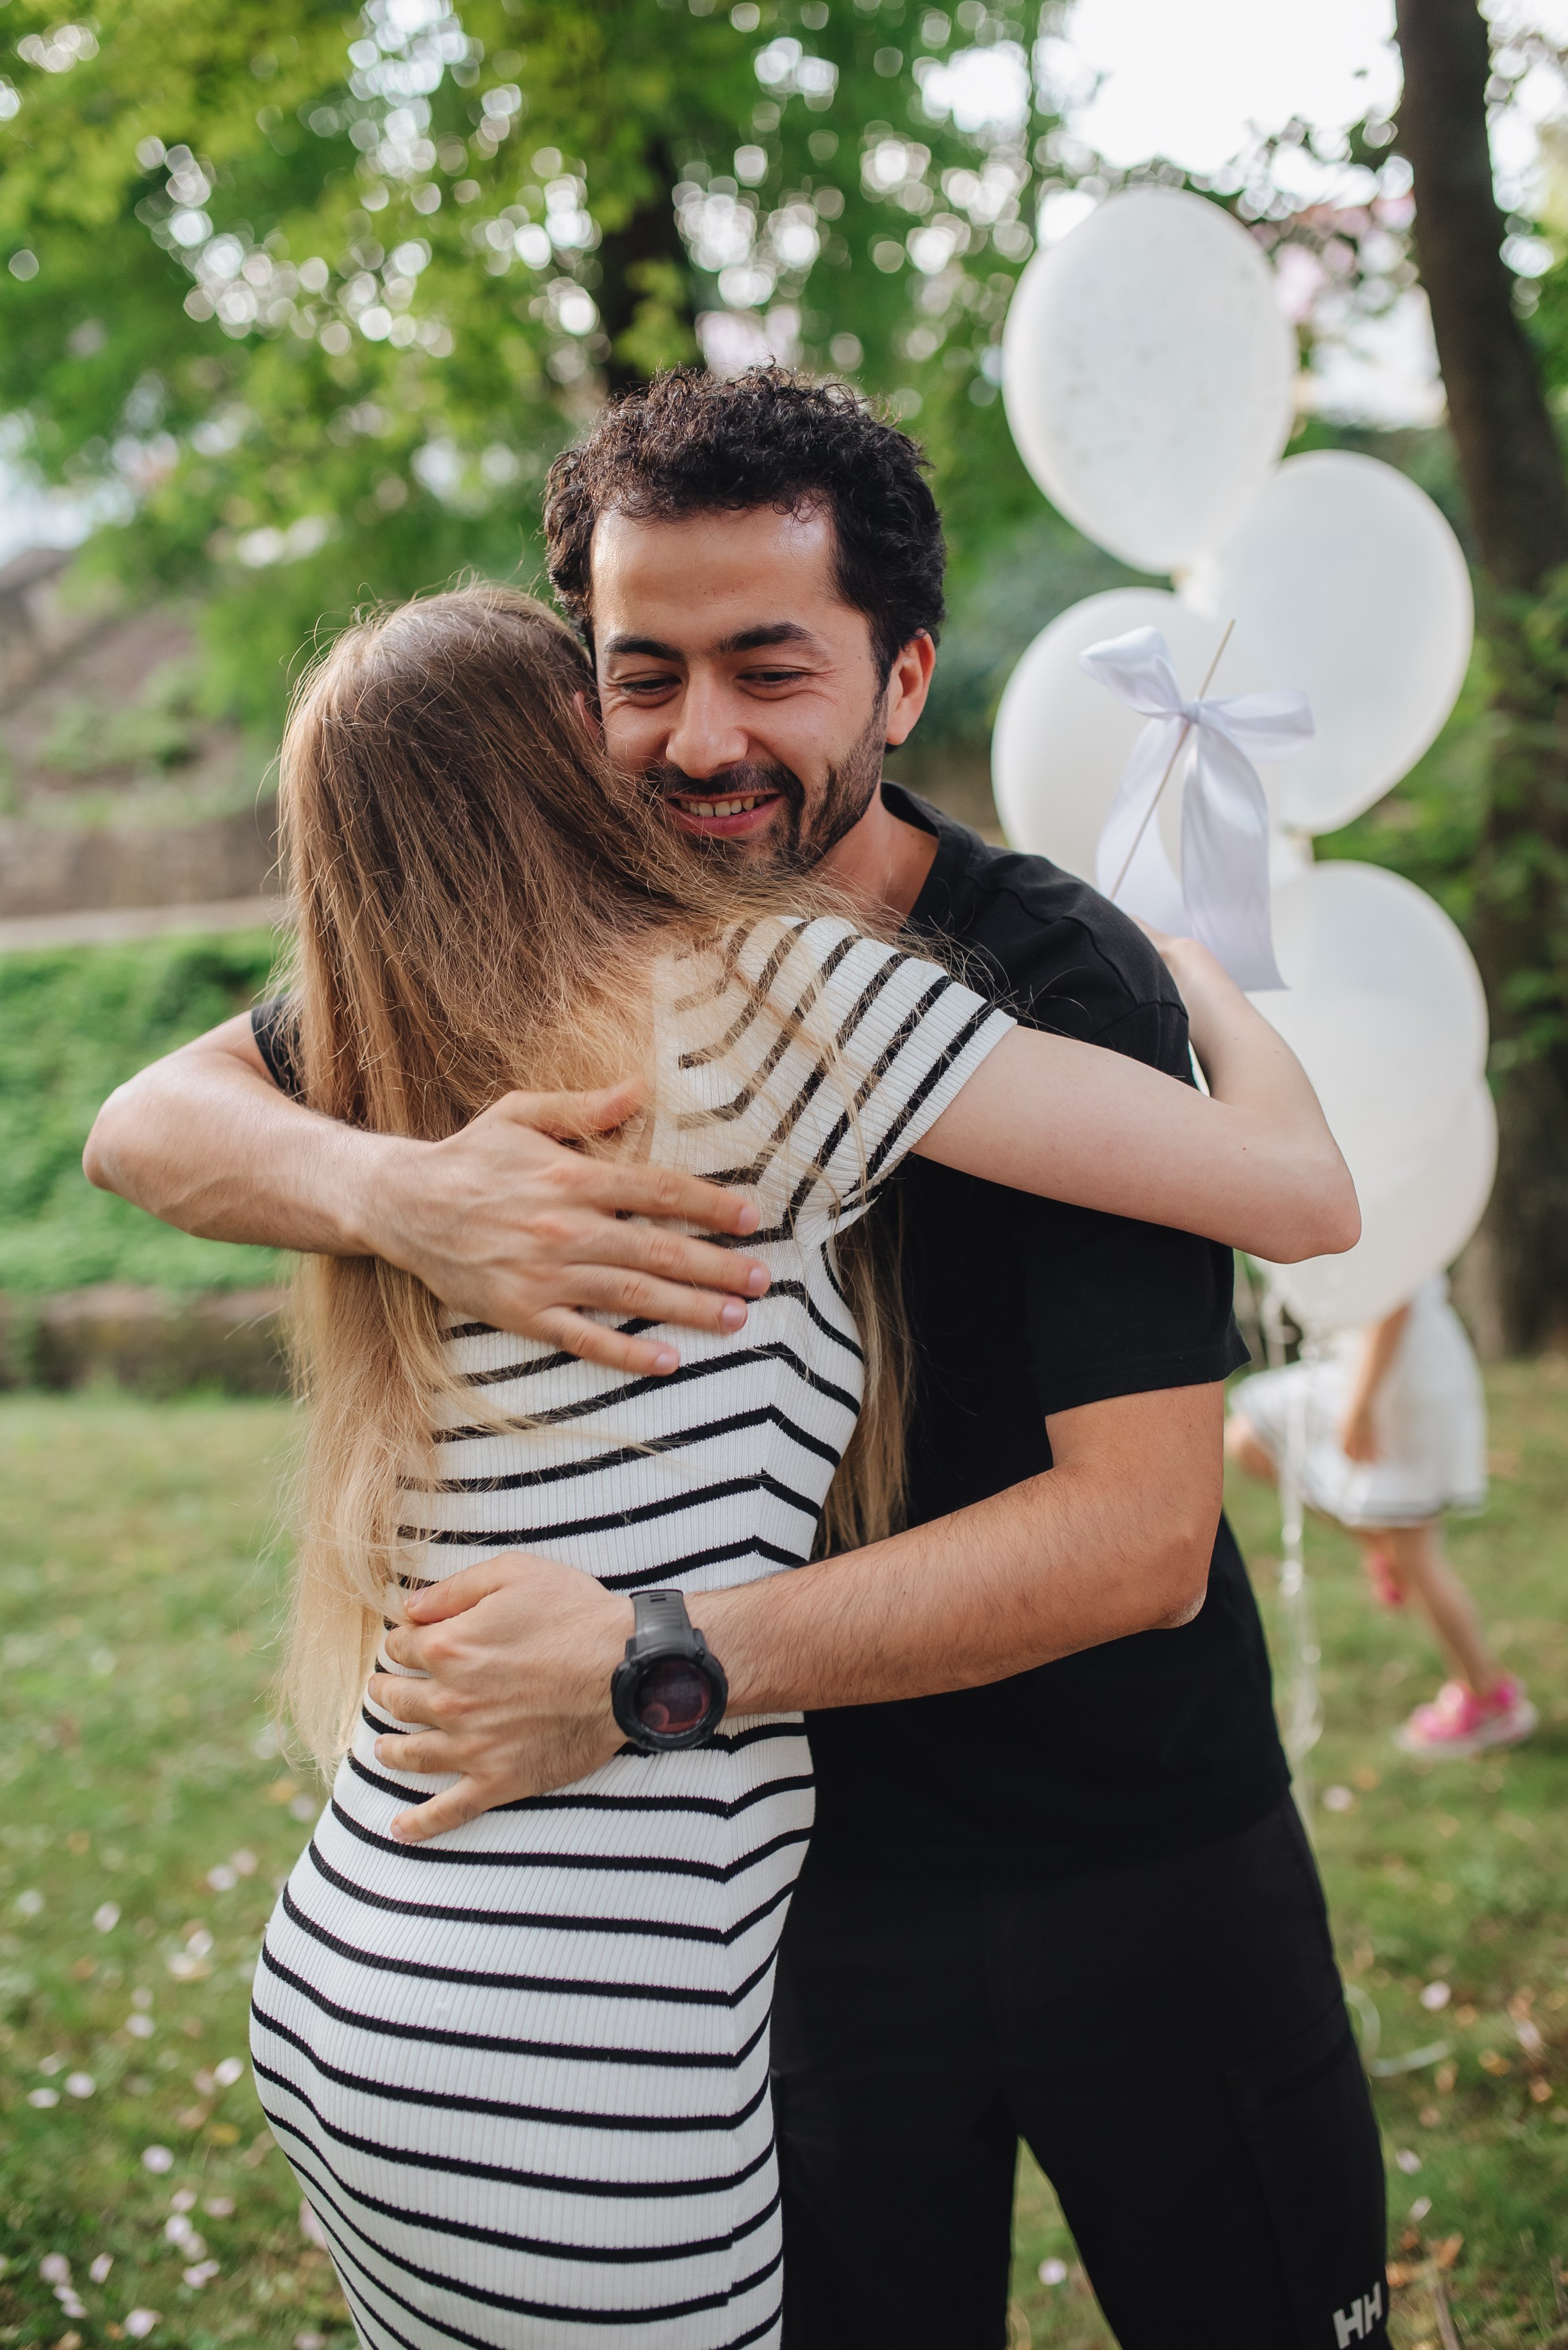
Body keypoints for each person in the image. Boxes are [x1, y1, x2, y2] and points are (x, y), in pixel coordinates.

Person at [84, 369, 1390, 2350]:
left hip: (1119, 1851)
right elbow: (150, 1121)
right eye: (640, 670)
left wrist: (643, 1658)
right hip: (784, 1921)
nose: (701, 736)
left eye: (768, 664)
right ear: (565, 704)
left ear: (900, 676)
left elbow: (1140, 1539)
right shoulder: (503, 965)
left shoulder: (1052, 974)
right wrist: (399, 1191)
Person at [1227, 1272, 1534, 1758]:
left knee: (1417, 1554)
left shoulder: (1382, 1204)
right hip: (1368, 1363)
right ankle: (1379, 1547)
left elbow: (1395, 1299)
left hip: (1395, 1372)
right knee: (1250, 1436)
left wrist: (1363, 1405)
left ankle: (1487, 1695)